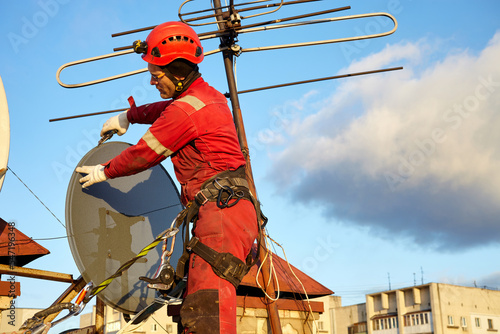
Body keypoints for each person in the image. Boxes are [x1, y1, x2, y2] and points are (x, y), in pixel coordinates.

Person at [75, 21, 259, 334]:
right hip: (227, 211)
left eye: (156, 74)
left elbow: (143, 154)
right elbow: (165, 109)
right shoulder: (205, 98)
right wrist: (129, 116)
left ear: (177, 72)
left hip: (222, 216)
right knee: (197, 305)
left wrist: (103, 171)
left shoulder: (186, 112)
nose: (151, 81)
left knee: (207, 311)